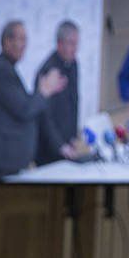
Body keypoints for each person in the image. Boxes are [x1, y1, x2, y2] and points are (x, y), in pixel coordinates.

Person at [0, 20, 68, 179]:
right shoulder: (2, 71)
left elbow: (22, 104)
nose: (24, 45)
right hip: (1, 161)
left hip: (7, 160)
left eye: (26, 39)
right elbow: (25, 110)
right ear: (7, 41)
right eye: (21, 39)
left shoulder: (7, 68)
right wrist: (45, 90)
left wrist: (42, 91)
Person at [36, 20, 80, 163]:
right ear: (60, 44)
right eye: (72, 44)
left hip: (67, 141)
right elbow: (44, 116)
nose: (76, 49)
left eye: (76, 43)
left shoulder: (73, 64)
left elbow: (75, 102)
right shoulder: (48, 70)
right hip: (48, 147)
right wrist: (60, 146)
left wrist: (73, 136)